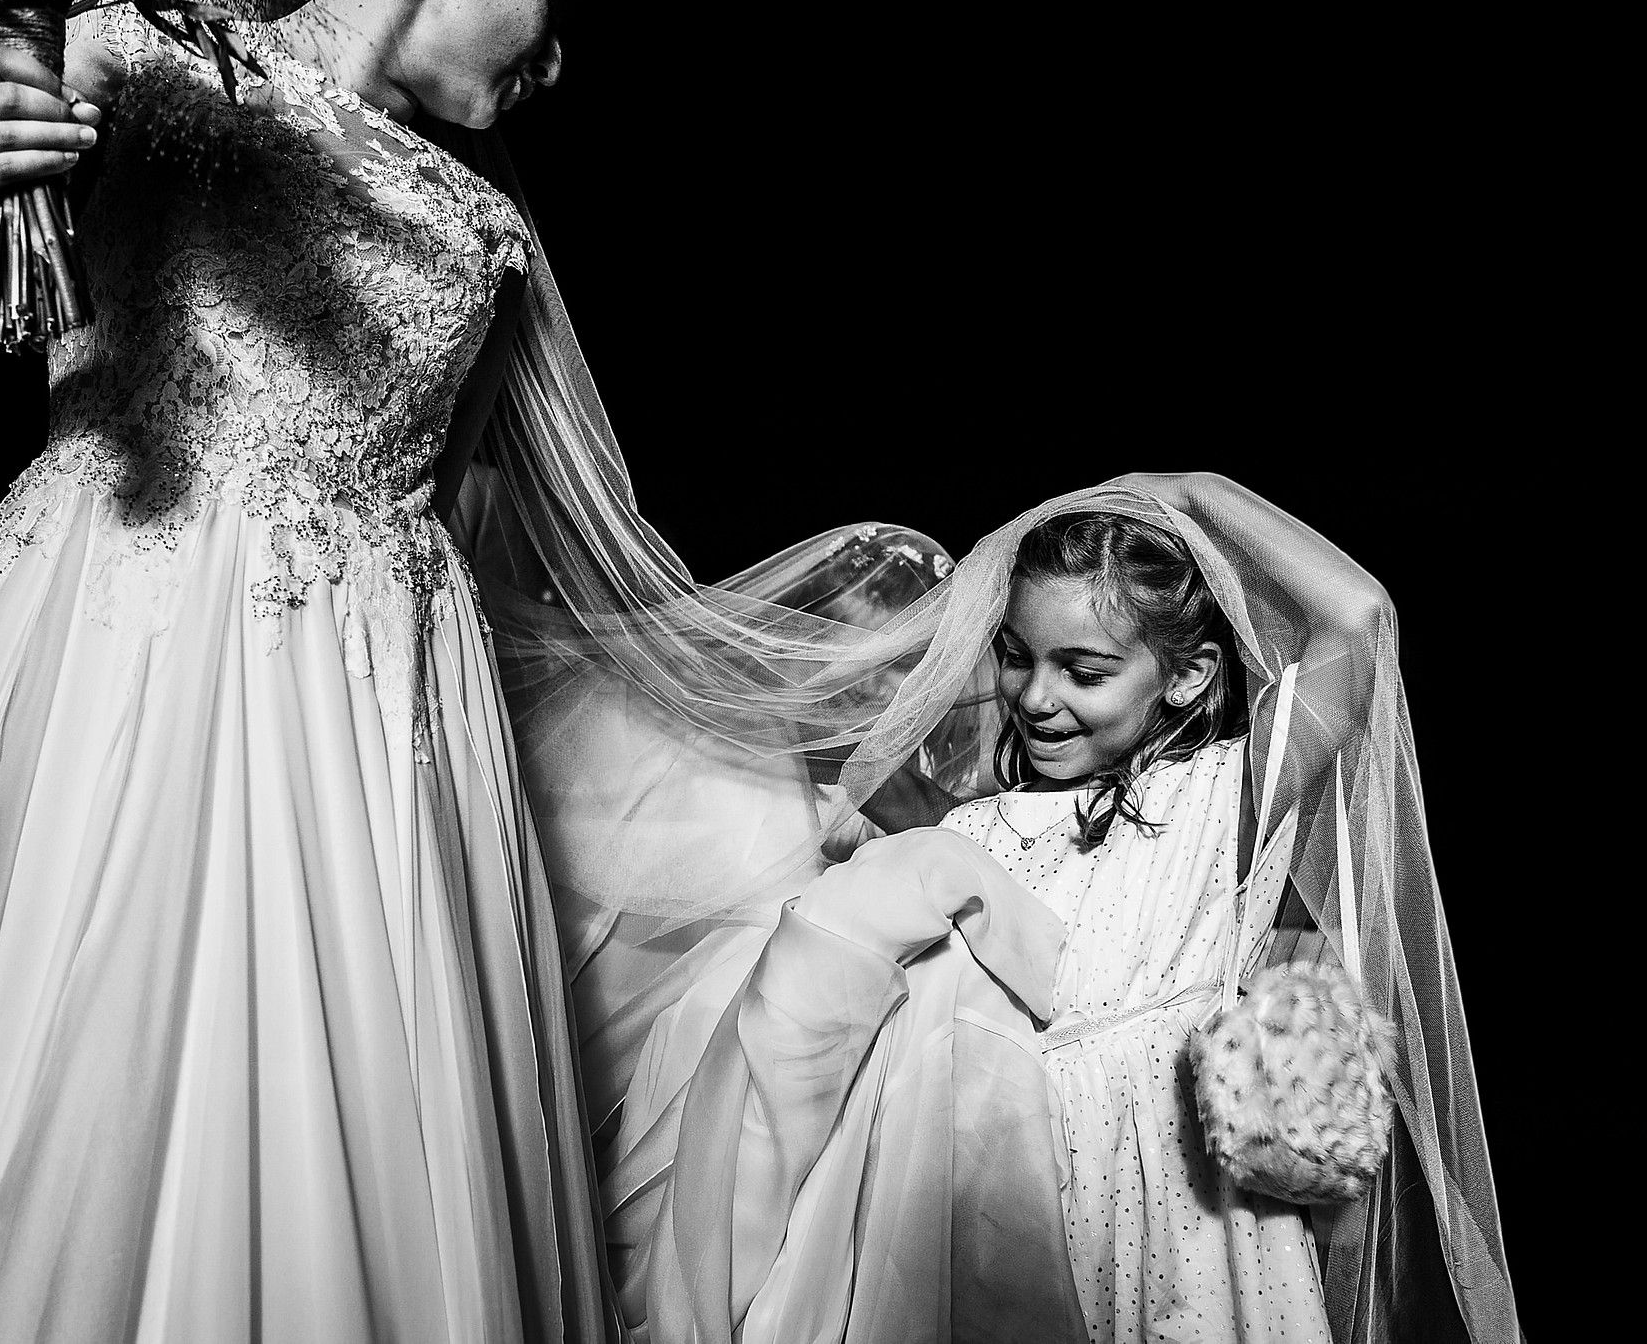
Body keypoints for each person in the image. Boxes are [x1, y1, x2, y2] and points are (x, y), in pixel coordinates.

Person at [0, 0, 616, 1341]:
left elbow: (492, 524)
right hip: (115, 664)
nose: (557, 56)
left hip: (370, 754)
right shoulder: (133, 67)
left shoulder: (482, 223)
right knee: (70, 1085)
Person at [568, 477, 1519, 1342]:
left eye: (1086, 670)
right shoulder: (973, 832)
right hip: (1007, 1191)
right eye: (1018, 658)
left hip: (1183, 1206)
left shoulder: (1221, 802)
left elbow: (1360, 620)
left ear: (1183, 677)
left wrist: (1183, 493)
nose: (1036, 696)